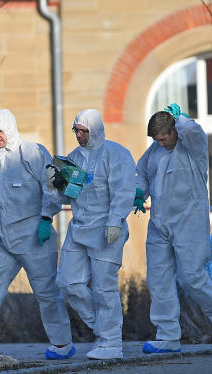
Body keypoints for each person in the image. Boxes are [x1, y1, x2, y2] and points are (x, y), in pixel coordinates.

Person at [0, 109, 75, 360]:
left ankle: (62, 344)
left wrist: (47, 218)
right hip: (1, 236)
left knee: (46, 291)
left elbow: (52, 189)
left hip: (33, 235)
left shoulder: (33, 153)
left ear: (10, 128)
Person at [134, 103, 212, 353]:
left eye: (163, 137)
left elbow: (195, 131)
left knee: (192, 278)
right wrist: (138, 192)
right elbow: (142, 174)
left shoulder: (193, 147)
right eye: (156, 140)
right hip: (159, 224)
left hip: (189, 223)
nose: (160, 143)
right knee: (158, 280)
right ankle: (167, 335)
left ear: (173, 130)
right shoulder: (155, 151)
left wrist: (181, 118)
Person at [44, 108, 135, 360]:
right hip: (79, 228)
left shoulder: (115, 154)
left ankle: (112, 343)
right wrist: (53, 185)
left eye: (84, 131)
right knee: (68, 282)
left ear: (95, 130)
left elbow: (123, 190)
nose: (79, 135)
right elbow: (66, 195)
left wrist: (116, 220)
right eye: (76, 130)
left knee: (104, 287)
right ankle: (102, 329)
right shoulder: (72, 159)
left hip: (107, 230)